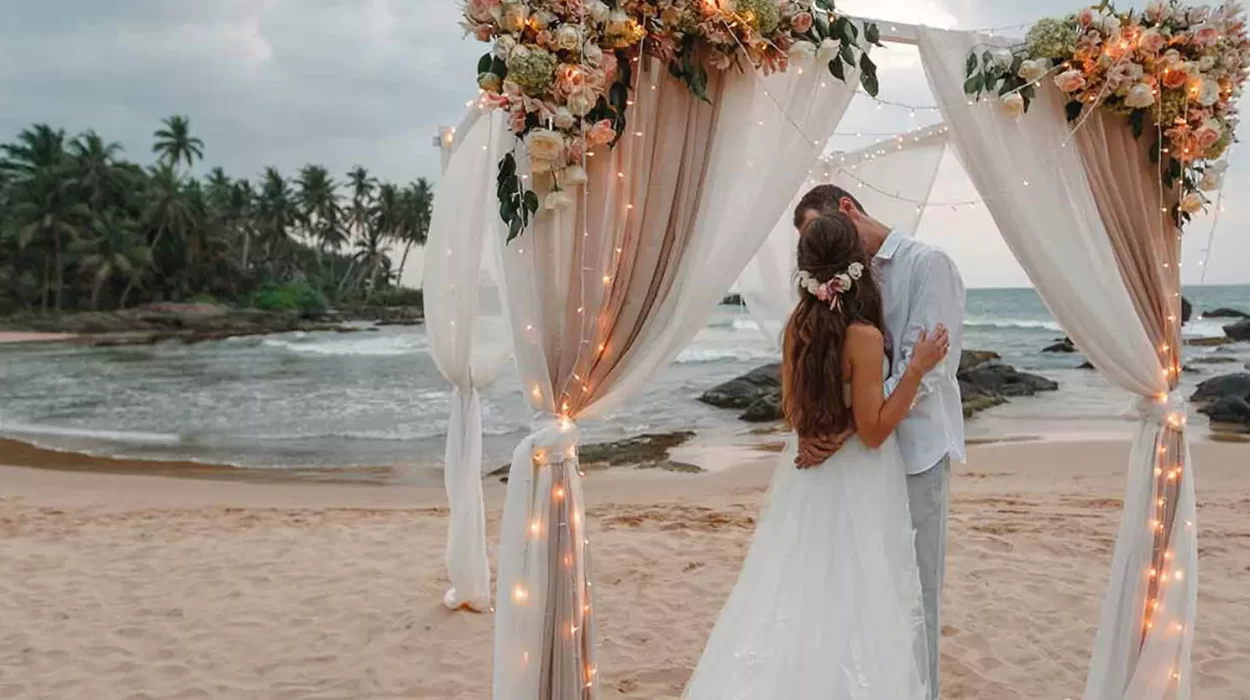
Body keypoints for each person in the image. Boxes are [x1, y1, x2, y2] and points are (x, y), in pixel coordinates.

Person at [683, 213, 949, 699]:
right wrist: (916, 369)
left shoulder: (795, 327)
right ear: (858, 265)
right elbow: (873, 431)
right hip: (863, 478)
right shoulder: (864, 338)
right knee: (865, 592)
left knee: (807, 586)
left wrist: (820, 433)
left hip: (807, 476)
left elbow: (794, 411)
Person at [794, 185, 967, 700]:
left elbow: (934, 371)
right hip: (859, 464)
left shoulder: (930, 266)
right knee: (860, 595)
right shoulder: (842, 282)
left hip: (914, 455)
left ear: (847, 210)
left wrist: (849, 424)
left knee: (917, 598)